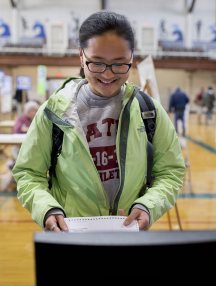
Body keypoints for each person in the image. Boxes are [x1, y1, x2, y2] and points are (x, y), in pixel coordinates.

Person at [12, 11, 185, 232]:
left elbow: (171, 171)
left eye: (120, 64)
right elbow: (28, 173)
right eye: (97, 63)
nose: (108, 74)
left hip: (128, 233)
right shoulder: (54, 113)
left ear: (132, 58)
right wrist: (47, 209)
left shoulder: (148, 111)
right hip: (70, 234)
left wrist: (148, 205)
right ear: (81, 56)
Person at [0, 101, 40, 192]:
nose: (34, 112)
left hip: (33, 147)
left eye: (35, 110)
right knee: (20, 158)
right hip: (20, 147)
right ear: (28, 111)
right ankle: (16, 173)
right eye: (33, 110)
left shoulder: (37, 119)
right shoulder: (21, 119)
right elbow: (17, 130)